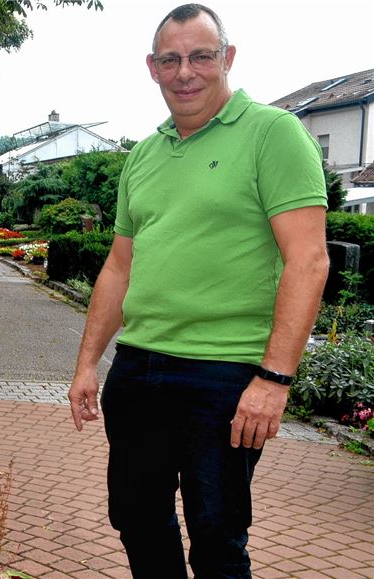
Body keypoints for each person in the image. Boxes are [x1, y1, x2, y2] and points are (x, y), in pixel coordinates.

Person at [67, 4, 329, 576]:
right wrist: (88, 362)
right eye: (171, 59)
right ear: (152, 68)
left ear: (227, 58)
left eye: (201, 56)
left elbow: (308, 261)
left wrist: (275, 378)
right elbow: (118, 267)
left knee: (216, 535)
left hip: (225, 375)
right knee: (136, 520)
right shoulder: (144, 154)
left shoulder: (273, 135)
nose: (186, 71)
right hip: (139, 368)